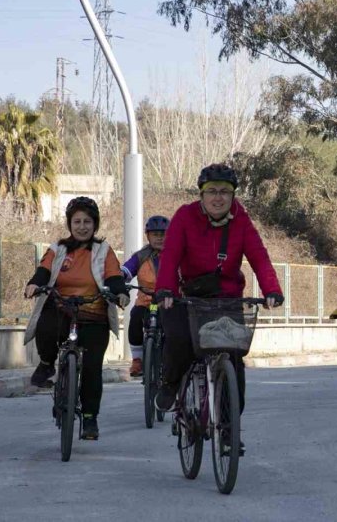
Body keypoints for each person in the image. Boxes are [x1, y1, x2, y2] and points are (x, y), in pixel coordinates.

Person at [153, 164, 284, 426]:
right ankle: (170, 383)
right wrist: (165, 289)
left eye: (225, 192)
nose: (218, 197)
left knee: (234, 356)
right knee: (179, 340)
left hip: (227, 297)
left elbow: (259, 257)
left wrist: (272, 289)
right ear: (201, 194)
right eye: (211, 191)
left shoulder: (242, 220)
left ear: (233, 195)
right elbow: (169, 256)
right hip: (188, 296)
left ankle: (227, 426)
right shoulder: (184, 217)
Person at [24, 197, 130, 441]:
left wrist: (120, 293)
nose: (82, 226)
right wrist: (34, 284)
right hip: (62, 308)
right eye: (77, 221)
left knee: (92, 369)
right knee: (46, 324)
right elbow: (44, 271)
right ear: (69, 224)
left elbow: (113, 276)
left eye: (87, 222)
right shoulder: (58, 249)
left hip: (94, 314)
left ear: (95, 224)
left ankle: (90, 419)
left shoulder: (104, 251)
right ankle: (47, 364)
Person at [121, 215, 170, 377]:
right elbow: (127, 270)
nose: (159, 238)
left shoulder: (177, 253)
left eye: (163, 234)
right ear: (148, 236)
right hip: (147, 301)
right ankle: (138, 360)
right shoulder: (141, 256)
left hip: (169, 302)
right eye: (155, 234)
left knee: (175, 327)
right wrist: (119, 277)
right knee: (135, 317)